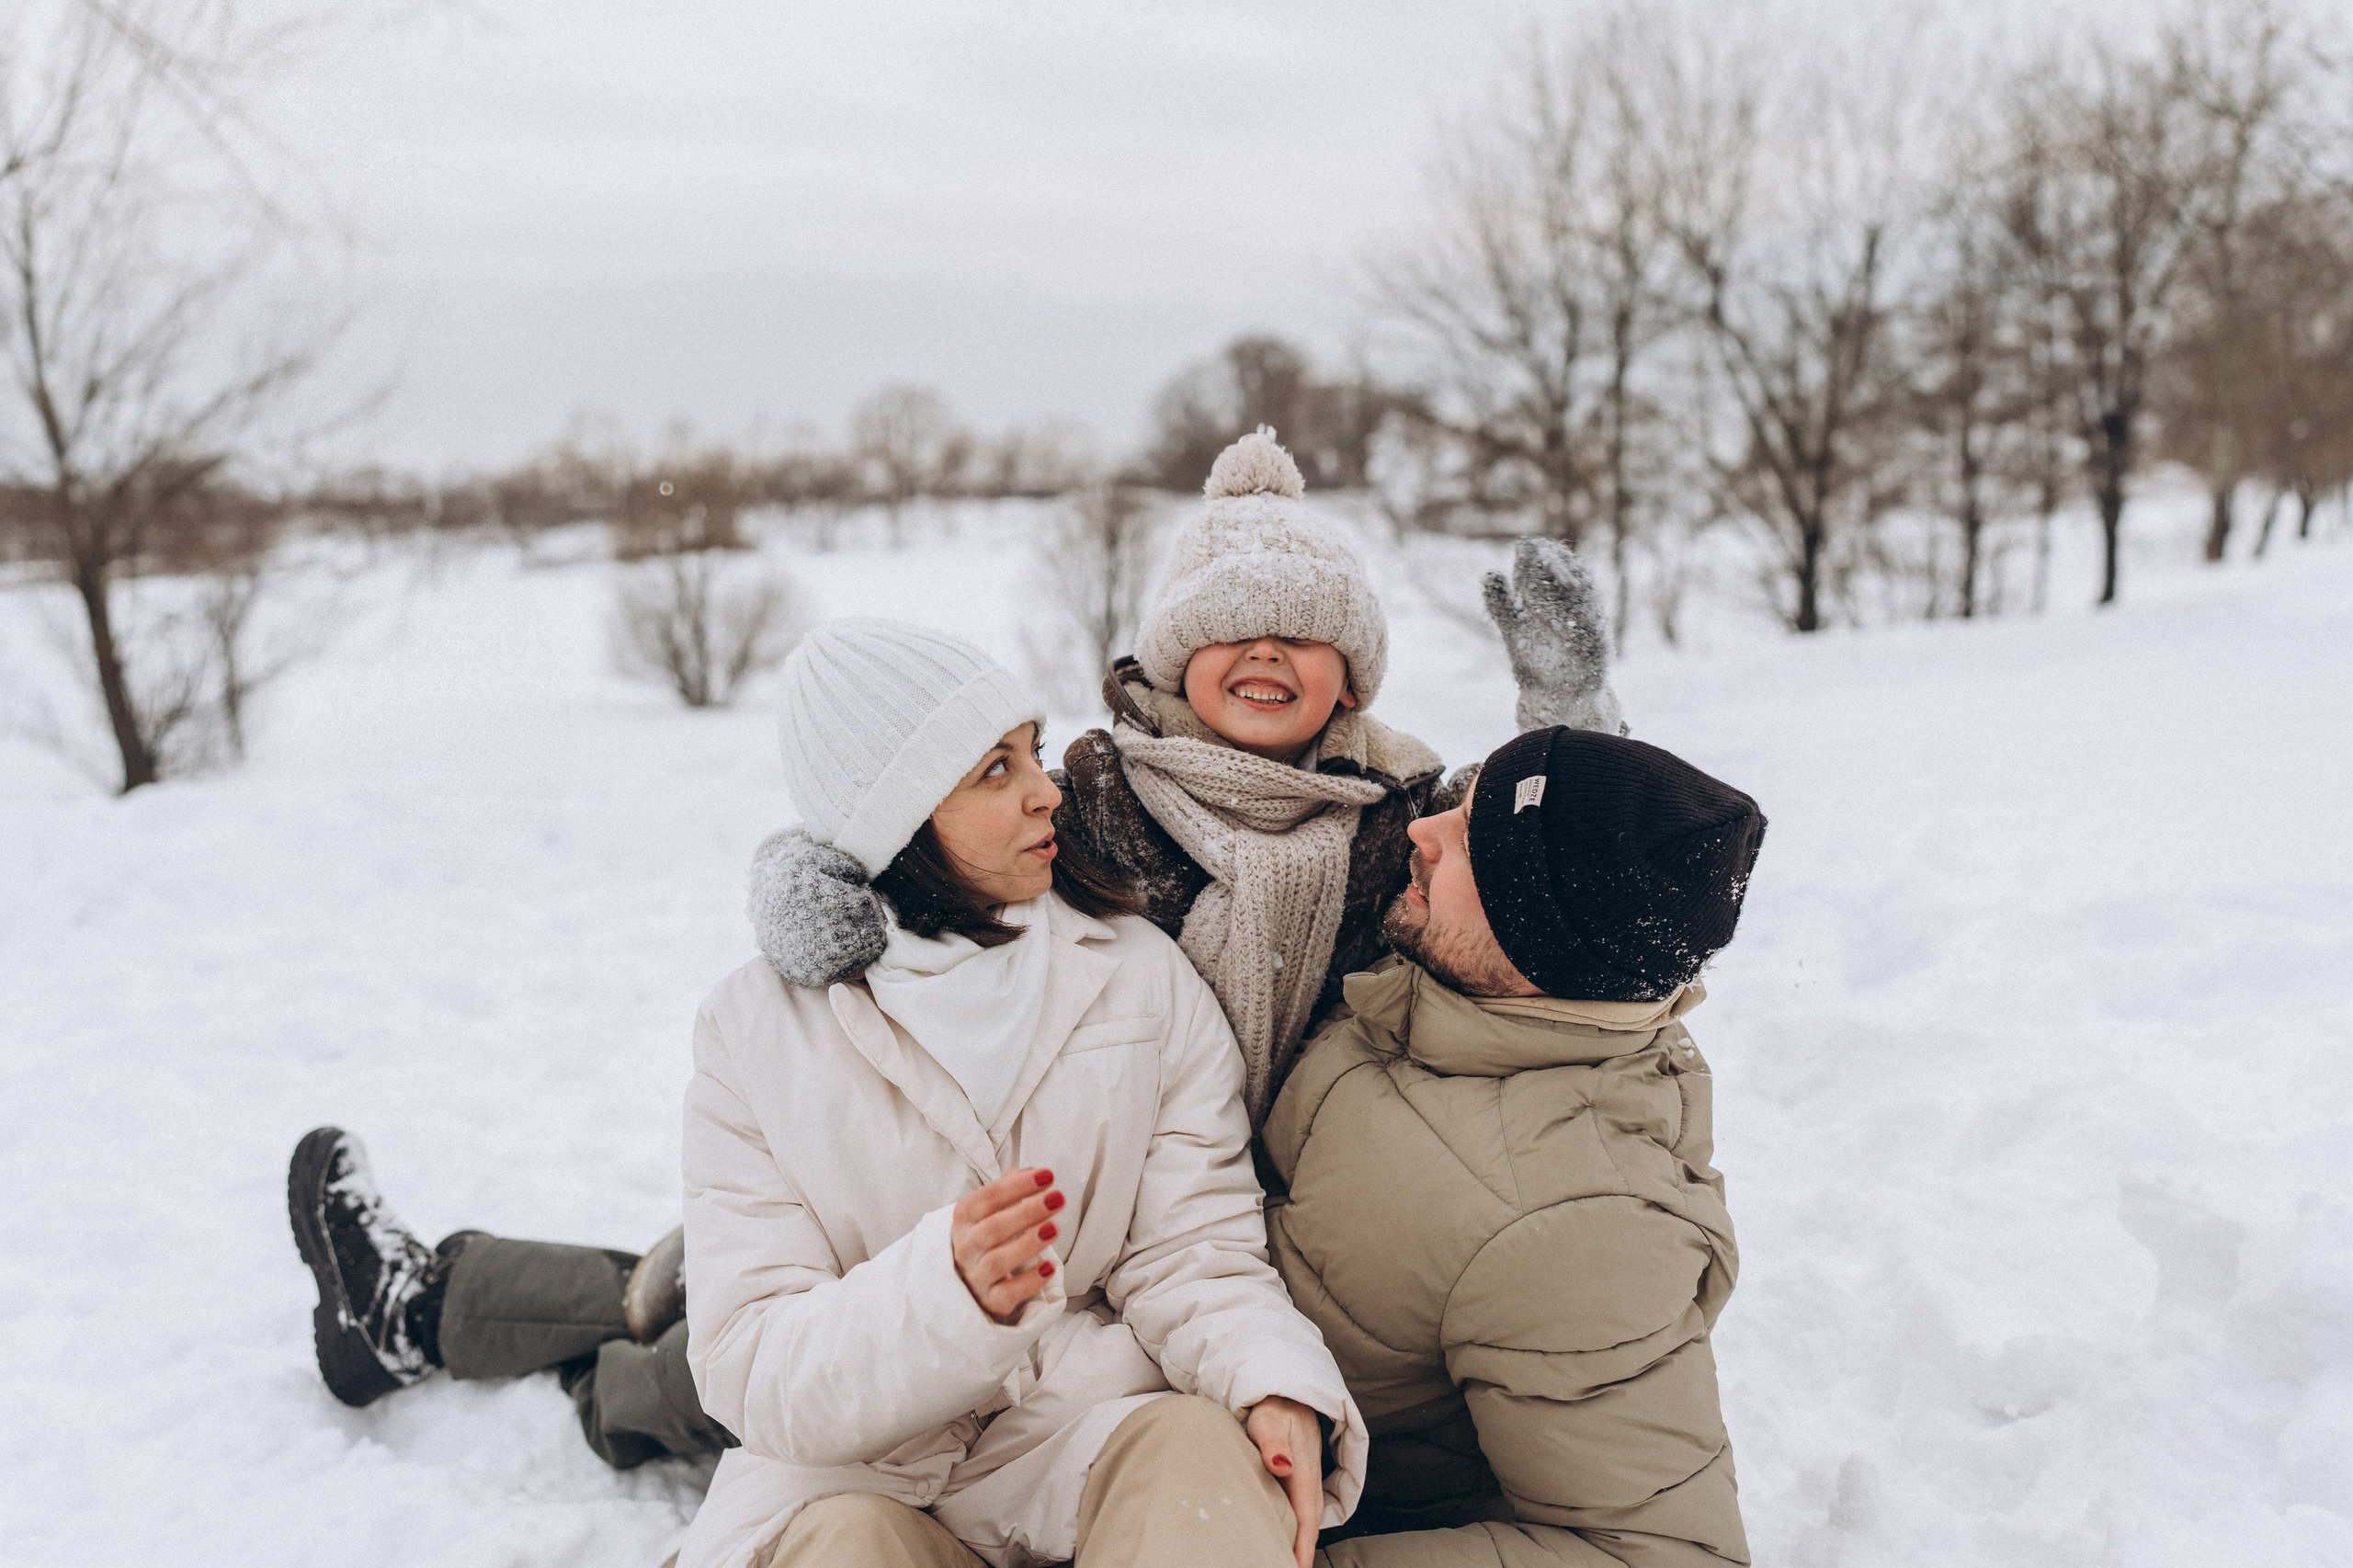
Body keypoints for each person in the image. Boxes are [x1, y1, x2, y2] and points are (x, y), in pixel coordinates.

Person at [289, 426, 1622, 1474]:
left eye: (1306, 630)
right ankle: (439, 1310)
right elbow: (913, 836)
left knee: (736, 1308)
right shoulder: (1097, 789)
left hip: (1247, 1226)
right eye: (1231, 623)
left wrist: (1568, 722)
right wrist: (824, 894)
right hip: (1054, 1174)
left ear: (1354, 672)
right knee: (750, 1306)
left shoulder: (1404, 818)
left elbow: (1549, 877)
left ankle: (480, 1323)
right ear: (1177, 650)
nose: (1265, 651)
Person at [305, 619, 1366, 1568]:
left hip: (1075, 1441)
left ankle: (484, 1324)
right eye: (994, 769)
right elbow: (753, 1361)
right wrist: (945, 1295)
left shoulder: (1137, 975)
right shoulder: (754, 1031)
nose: (1047, 789)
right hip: (863, 1472)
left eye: (1032, 750)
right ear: (899, 819)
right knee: (825, 1516)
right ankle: (478, 1328)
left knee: (1194, 1444)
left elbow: (1193, 1247)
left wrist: (1268, 1377)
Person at [1264, 724, 1768, 1567]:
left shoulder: (1582, 1222)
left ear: (1537, 937)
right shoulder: (1444, 993)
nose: (1422, 830)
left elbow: (1659, 1554)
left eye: (1469, 840)